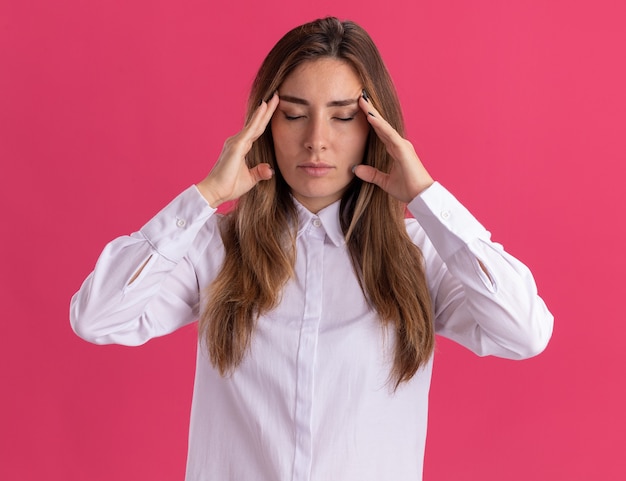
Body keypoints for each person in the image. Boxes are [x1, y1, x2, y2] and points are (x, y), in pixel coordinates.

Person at [70, 16, 553, 481]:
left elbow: (524, 331)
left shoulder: (422, 255)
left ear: (375, 129)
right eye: (294, 115)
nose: (316, 141)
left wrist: (428, 199)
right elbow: (97, 317)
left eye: (343, 117)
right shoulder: (213, 247)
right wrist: (205, 197)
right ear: (263, 126)